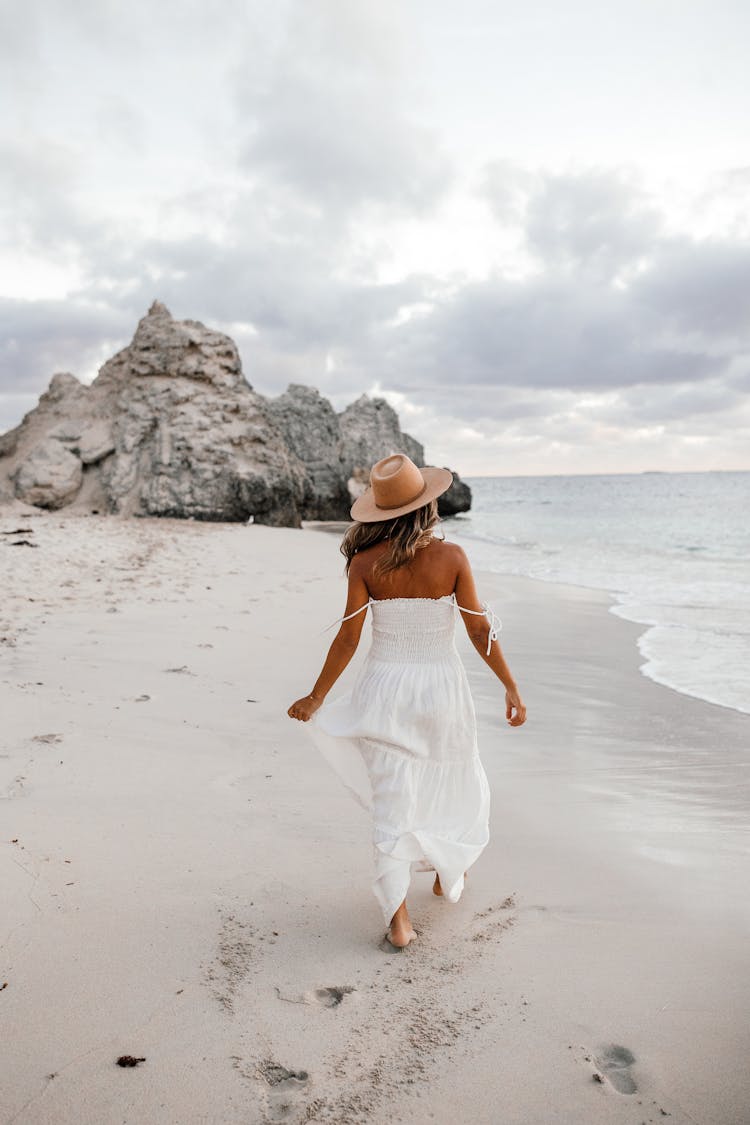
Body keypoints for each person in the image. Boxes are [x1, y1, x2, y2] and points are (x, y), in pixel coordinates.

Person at [287, 453, 526, 949]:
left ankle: (400, 920)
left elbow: (349, 640)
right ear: (428, 508)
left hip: (383, 691)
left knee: (394, 797)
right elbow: (479, 628)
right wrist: (510, 686)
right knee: (453, 778)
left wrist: (317, 696)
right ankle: (446, 869)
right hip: (441, 690)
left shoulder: (363, 563)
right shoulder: (453, 557)